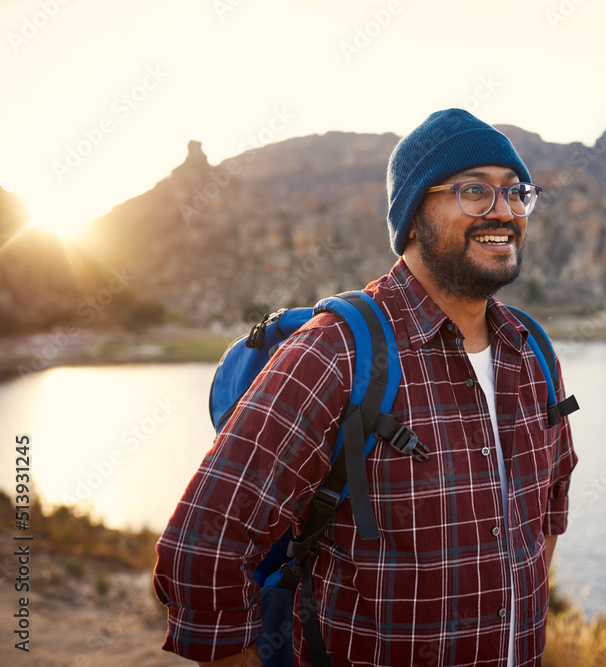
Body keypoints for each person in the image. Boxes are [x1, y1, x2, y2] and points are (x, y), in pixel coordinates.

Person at [153, 108, 578, 666]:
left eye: (516, 192)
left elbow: (548, 508)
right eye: (475, 191)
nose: (504, 211)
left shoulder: (532, 350)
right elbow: (201, 550)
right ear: (413, 214)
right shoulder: (336, 351)